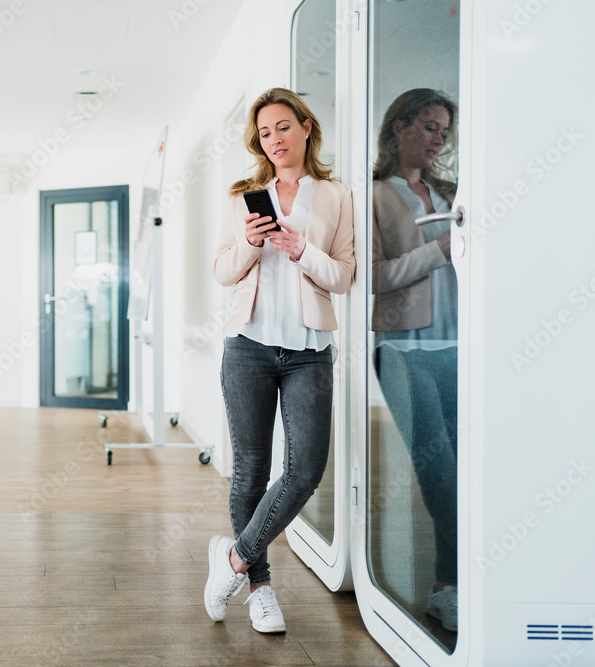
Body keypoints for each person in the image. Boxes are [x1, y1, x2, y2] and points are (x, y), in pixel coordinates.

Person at [205, 87, 355, 633]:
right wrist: (249, 242)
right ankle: (261, 588)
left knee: (305, 472)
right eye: (265, 133)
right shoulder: (244, 195)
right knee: (250, 471)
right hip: (247, 347)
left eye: (283, 127)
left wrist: (300, 250)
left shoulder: (337, 196)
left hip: (308, 352)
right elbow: (223, 271)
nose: (275, 139)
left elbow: (344, 275)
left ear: (307, 127)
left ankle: (233, 560)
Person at [370, 88, 459, 633]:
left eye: (444, 132)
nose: (437, 140)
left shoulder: (453, 193)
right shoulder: (376, 196)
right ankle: (448, 586)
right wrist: (438, 251)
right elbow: (375, 279)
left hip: (460, 346)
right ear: (399, 127)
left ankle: (448, 586)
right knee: (438, 471)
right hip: (405, 348)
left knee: (464, 469)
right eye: (429, 127)